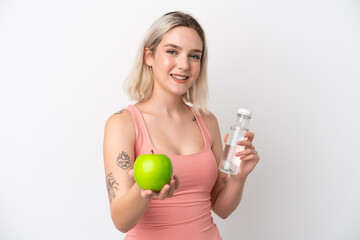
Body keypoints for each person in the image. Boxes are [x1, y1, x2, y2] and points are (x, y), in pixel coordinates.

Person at [103, 11, 260, 240]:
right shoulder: (122, 124)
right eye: (172, 52)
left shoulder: (207, 121)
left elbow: (222, 208)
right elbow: (121, 221)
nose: (184, 65)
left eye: (194, 56)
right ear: (149, 56)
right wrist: (145, 191)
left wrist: (239, 177)